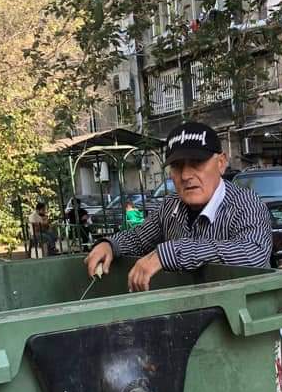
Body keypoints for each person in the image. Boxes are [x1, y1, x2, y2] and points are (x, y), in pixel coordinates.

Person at [85, 121, 272, 291]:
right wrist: (110, 245)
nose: (185, 175)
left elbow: (253, 253)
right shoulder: (171, 205)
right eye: (177, 166)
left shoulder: (246, 205)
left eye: (197, 163)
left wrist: (172, 253)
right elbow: (139, 239)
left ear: (221, 163)